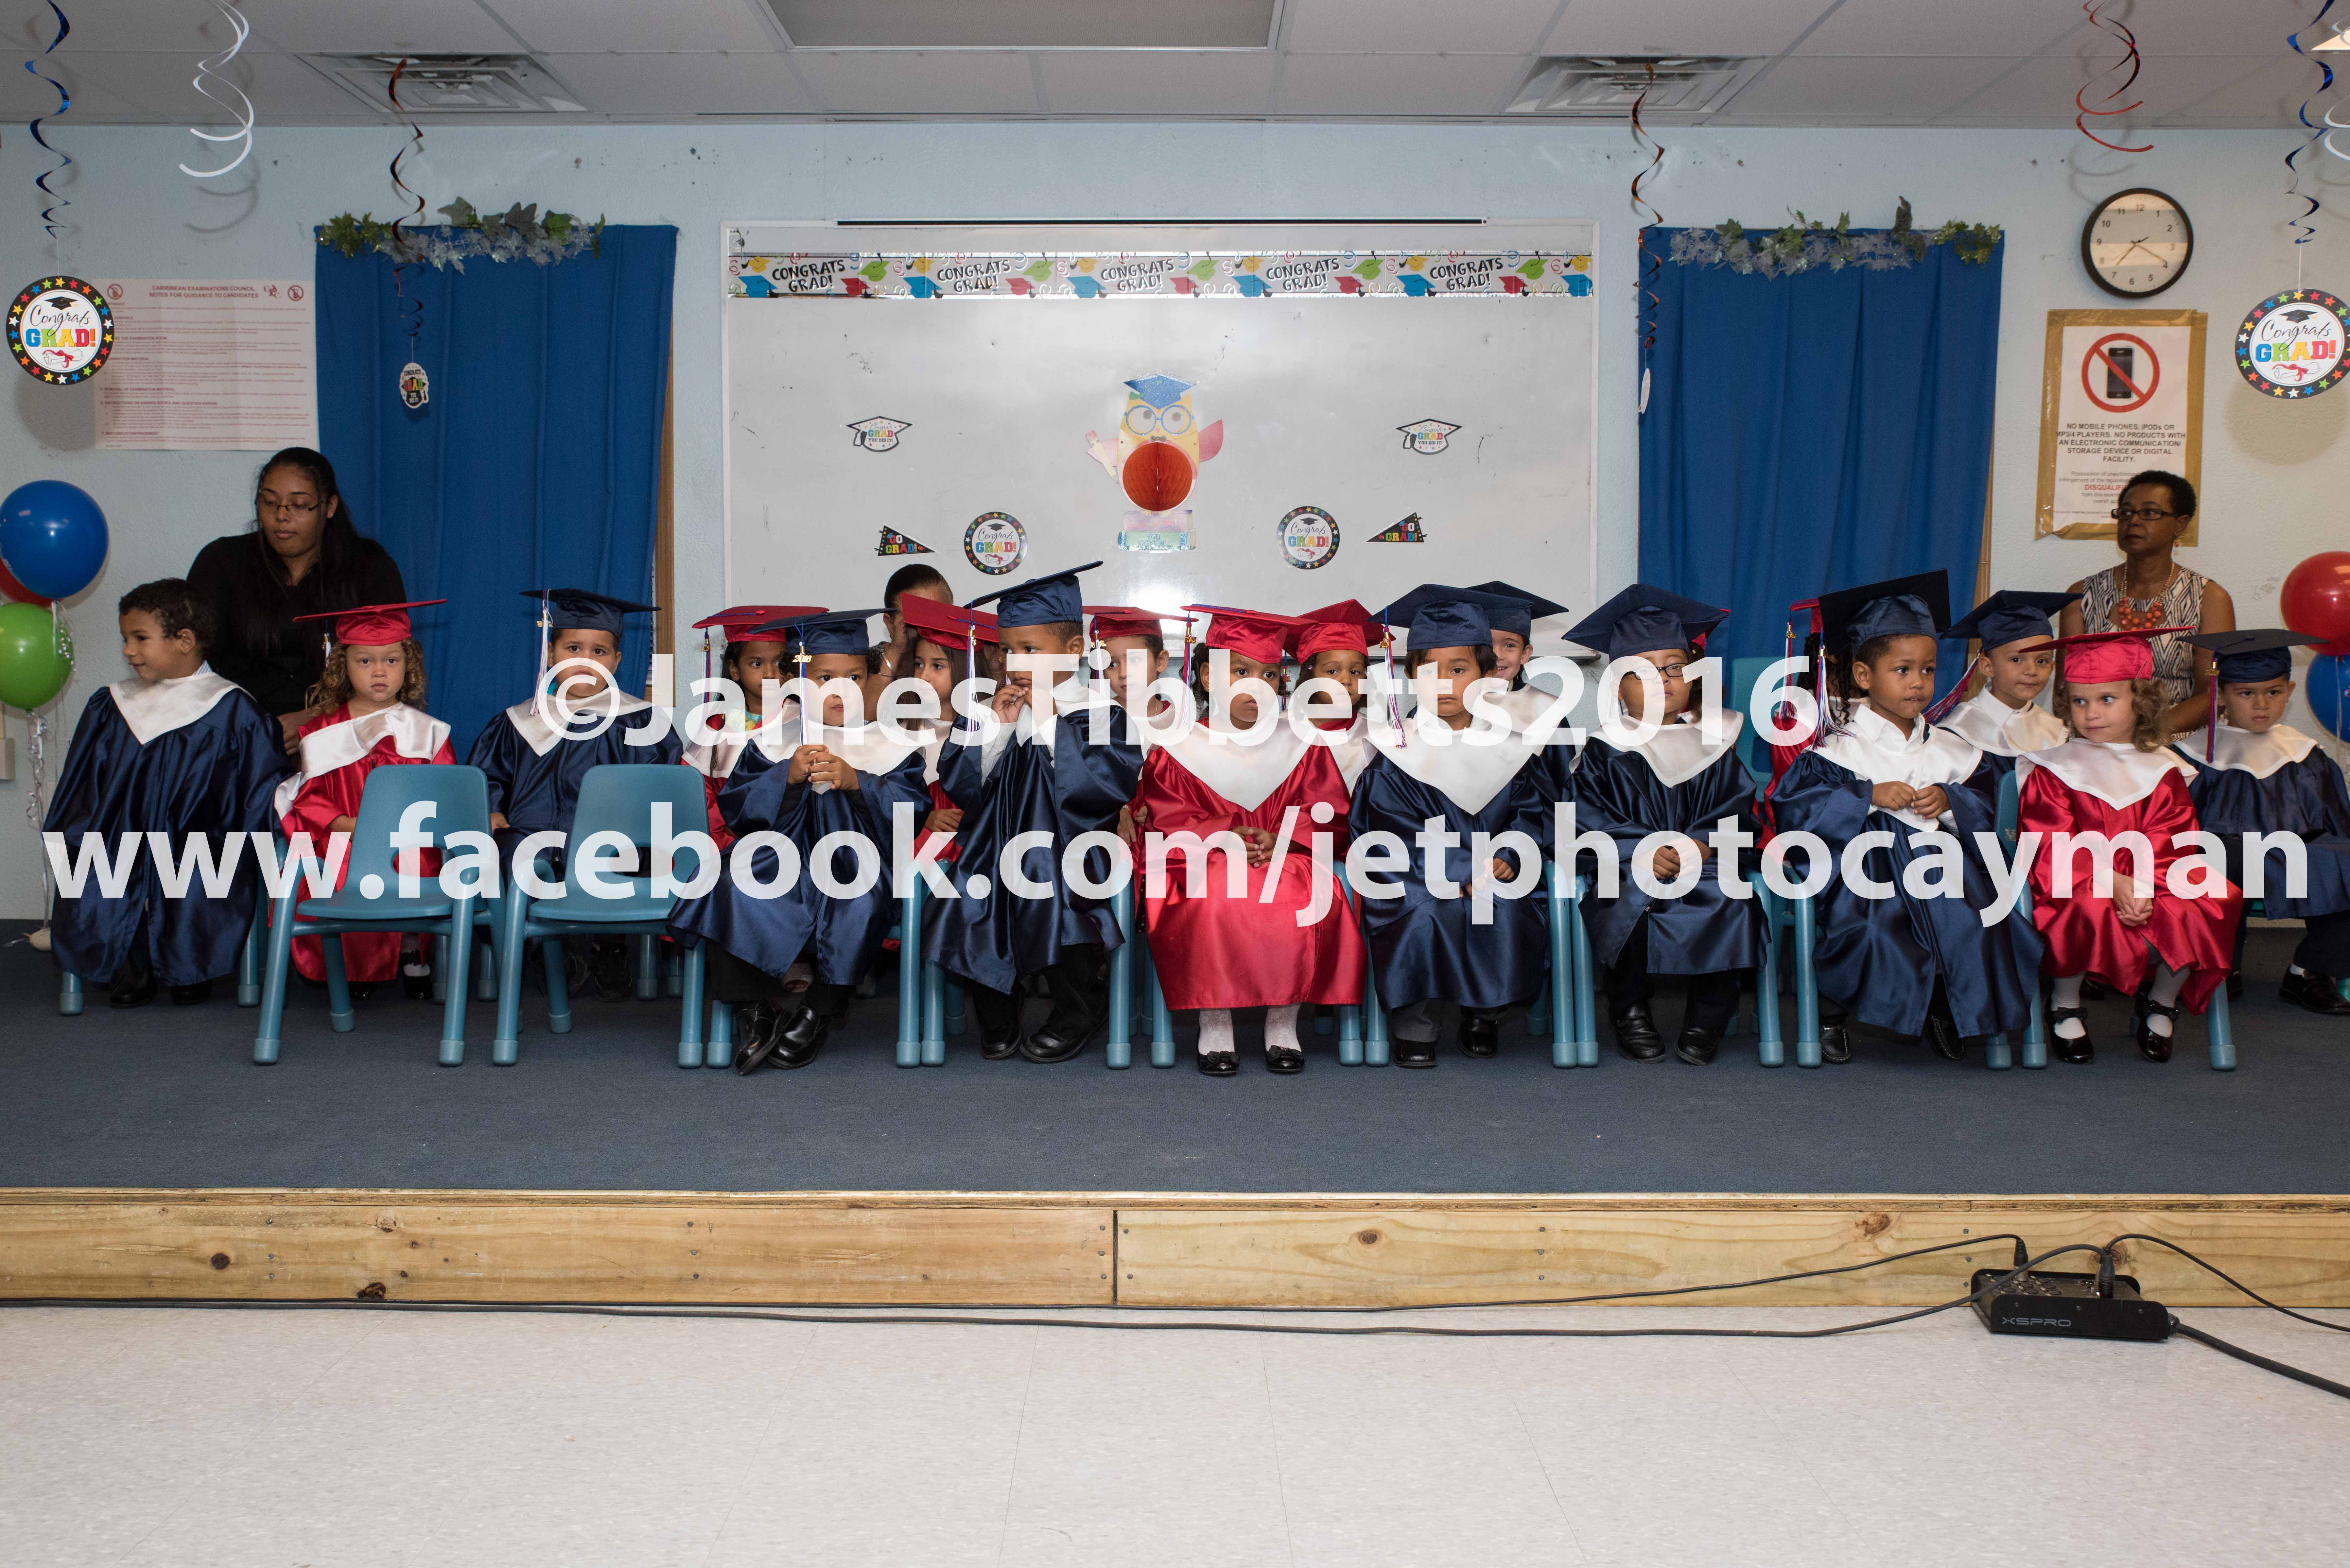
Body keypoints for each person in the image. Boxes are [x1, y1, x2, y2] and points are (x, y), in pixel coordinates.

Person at [1767, 571, 2039, 1064]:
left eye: (1928, 670)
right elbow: (1799, 816)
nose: (1918, 682)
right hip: (1865, 871)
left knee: (1975, 920)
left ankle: (1947, 1005)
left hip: (1942, 866)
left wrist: (1950, 801)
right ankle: (1833, 1011)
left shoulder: (1954, 749)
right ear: (1864, 676)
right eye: (1902, 670)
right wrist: (1866, 796)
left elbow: (1989, 812)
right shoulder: (1836, 751)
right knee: (1873, 929)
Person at [670, 612, 931, 1072]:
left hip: (858, 864)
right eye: (825, 678)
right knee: (724, 882)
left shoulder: (891, 744)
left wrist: (859, 782)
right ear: (796, 681)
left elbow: (910, 815)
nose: (841, 691)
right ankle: (755, 1010)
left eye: (855, 677)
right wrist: (785, 777)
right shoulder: (771, 741)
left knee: (858, 902)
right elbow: (740, 812)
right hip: (779, 859)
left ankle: (820, 1010)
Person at [922, 562, 1145, 1064]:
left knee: (1047, 885)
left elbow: (1106, 787)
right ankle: (998, 1009)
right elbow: (960, 785)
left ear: (1073, 650)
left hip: (1075, 852)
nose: (1015, 662)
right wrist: (999, 728)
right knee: (966, 891)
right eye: (1007, 650)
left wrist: (1046, 721)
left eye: (1029, 649)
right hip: (992, 847)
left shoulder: (1100, 713)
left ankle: (1080, 1007)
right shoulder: (989, 710)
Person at [1135, 607, 1367, 1076]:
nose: (1256, 686)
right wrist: (1223, 835)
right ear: (1207, 676)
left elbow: (1330, 813)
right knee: (1214, 891)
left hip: (1288, 856)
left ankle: (1282, 1023)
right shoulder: (1179, 748)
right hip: (1204, 859)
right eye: (1240, 672)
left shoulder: (1301, 744)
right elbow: (1167, 821)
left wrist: (1284, 839)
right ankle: (1215, 1023)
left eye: (1269, 674)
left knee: (1300, 892)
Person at [45, 579, 287, 1007]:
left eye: (140, 638)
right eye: (125, 639)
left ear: (185, 641)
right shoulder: (112, 705)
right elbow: (83, 782)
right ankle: (133, 962)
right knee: (103, 860)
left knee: (203, 864)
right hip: (120, 834)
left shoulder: (234, 709)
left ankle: (187, 964)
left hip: (201, 839)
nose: (128, 651)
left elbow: (259, 789)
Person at [1349, 584, 1558, 1067]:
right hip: (1416, 877)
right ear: (1410, 676)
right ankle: (1415, 1023)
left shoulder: (1515, 748)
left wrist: (1509, 855)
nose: (1442, 684)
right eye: (1428, 671)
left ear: (1487, 675)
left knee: (1499, 905)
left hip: (1495, 875)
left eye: (1459, 670)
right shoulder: (1396, 753)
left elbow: (1535, 813)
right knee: (1424, 911)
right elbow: (1385, 832)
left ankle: (1484, 1013)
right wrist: (1455, 870)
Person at [2021, 628, 2242, 1062]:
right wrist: (2111, 881)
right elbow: (2051, 844)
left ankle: (2161, 1001)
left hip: (2152, 878)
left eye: (2107, 699)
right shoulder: (2053, 770)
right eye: (2079, 701)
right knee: (2084, 906)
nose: (2091, 713)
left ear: (2140, 700)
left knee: (2209, 897)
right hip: (2076, 880)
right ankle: (2064, 1002)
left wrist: (2141, 886)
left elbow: (2173, 841)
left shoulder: (2162, 769)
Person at [1564, 586, 1763, 1066]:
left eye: (1675, 667)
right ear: (1617, 688)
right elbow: (1584, 819)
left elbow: (1739, 812)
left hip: (1705, 863)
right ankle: (1629, 1009)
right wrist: (1641, 849)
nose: (1663, 681)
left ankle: (1708, 1018)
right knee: (1624, 899)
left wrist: (1704, 846)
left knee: (1732, 897)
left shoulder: (1715, 743)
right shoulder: (1604, 749)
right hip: (1627, 865)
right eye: (1643, 671)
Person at [468, 588, 683, 1002]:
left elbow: (666, 785)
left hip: (615, 841)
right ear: (550, 654)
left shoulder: (640, 721)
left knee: (629, 853)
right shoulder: (517, 722)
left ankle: (610, 946)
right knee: (505, 853)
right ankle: (548, 947)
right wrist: (491, 811)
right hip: (532, 837)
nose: (586, 661)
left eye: (599, 652)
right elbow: (487, 778)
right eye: (573, 648)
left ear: (617, 661)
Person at [274, 600, 456, 997]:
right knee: (340, 874)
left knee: (417, 868)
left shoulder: (429, 732)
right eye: (365, 661)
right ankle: (354, 965)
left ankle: (411, 948)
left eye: (391, 660)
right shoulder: (321, 731)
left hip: (409, 840)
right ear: (343, 667)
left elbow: (444, 795)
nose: (379, 671)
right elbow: (310, 796)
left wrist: (406, 829)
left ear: (408, 665)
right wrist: (348, 826)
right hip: (345, 839)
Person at [186, 447, 407, 755]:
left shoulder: (370, 567)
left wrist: (316, 717)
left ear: (329, 506)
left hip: (346, 732)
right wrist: (250, 724)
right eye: (269, 503)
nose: (281, 516)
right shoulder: (221, 562)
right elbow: (192, 660)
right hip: (237, 735)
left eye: (299, 505)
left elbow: (389, 664)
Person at [2177, 629, 2350, 1018]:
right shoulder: (2192, 756)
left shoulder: (2305, 753)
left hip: (2295, 855)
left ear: (2290, 692)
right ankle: (2223, 966)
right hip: (2222, 858)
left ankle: (2309, 971)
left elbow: (2337, 822)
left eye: (2273, 692)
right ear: (2221, 694)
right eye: (2246, 693)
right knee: (2222, 859)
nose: (2261, 704)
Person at [2061, 469, 2235, 740]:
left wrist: (2141, 735)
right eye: (2125, 512)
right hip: (2098, 742)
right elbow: (2065, 689)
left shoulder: (2209, 598)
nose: (2133, 521)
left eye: (2149, 513)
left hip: (2177, 744)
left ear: (2180, 524)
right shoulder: (2081, 595)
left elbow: (2212, 693)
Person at [683, 605, 819, 848]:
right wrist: (728, 838)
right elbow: (697, 795)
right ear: (735, 670)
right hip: (725, 846)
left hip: (792, 842)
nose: (770, 674)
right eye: (756, 664)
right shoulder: (718, 725)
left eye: (779, 663)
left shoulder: (804, 721)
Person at [1937, 590, 2077, 795]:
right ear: (1987, 667)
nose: (2032, 671)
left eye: (2042, 661)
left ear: (2053, 667)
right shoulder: (1958, 733)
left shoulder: (2057, 733)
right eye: (2016, 660)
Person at [866, 561, 955, 697]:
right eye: (919, 621)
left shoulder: (967, 659)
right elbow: (865, 709)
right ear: (891, 624)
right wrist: (897, 651)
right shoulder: (864, 664)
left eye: (939, 618)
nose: (930, 630)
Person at [1467, 579, 1568, 691]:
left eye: (1509, 646)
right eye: (1487, 645)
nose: (1497, 655)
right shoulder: (1454, 699)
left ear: (1525, 654)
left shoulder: (1539, 701)